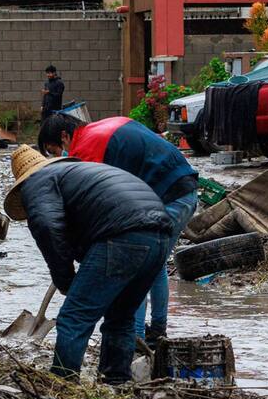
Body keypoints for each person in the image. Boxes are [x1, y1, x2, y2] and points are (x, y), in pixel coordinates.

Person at [3, 145, 172, 383]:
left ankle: (63, 385)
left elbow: (47, 226)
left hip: (122, 236)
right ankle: (116, 383)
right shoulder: (76, 174)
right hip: (160, 236)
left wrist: (65, 279)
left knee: (74, 317)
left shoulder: (37, 182)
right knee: (121, 317)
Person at [38, 114, 198, 345]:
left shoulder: (86, 149)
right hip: (185, 189)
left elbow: (95, 204)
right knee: (155, 263)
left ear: (65, 136)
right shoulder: (102, 128)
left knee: (137, 267)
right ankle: (157, 331)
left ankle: (137, 340)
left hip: (167, 195)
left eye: (54, 151)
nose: (59, 159)